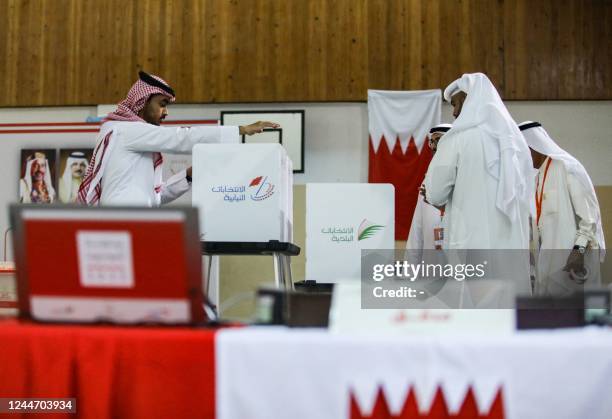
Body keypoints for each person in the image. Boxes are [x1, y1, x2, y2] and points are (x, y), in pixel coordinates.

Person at [78, 71, 278, 206]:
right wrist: (241, 130)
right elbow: (181, 138)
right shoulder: (125, 130)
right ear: (141, 102)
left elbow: (157, 197)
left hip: (135, 223)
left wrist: (189, 175)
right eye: (162, 104)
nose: (165, 112)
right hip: (122, 224)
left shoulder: (133, 137)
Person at [421, 73, 535, 303]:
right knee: (507, 309)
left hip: (470, 243)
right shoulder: (516, 142)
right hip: (510, 244)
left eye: (455, 104)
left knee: (474, 313)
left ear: (468, 100)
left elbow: (435, 192)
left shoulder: (457, 139)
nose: (453, 113)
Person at [519, 121, 605, 295]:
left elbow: (588, 219)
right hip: (549, 265)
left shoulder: (568, 167)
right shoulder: (537, 178)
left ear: (533, 146)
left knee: (579, 315)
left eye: (524, 152)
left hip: (574, 263)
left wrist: (578, 251)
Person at [406, 123, 452, 261]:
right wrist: (410, 274)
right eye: (431, 142)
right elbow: (416, 230)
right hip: (430, 269)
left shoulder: (465, 176)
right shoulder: (427, 179)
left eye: (438, 141)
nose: (433, 147)